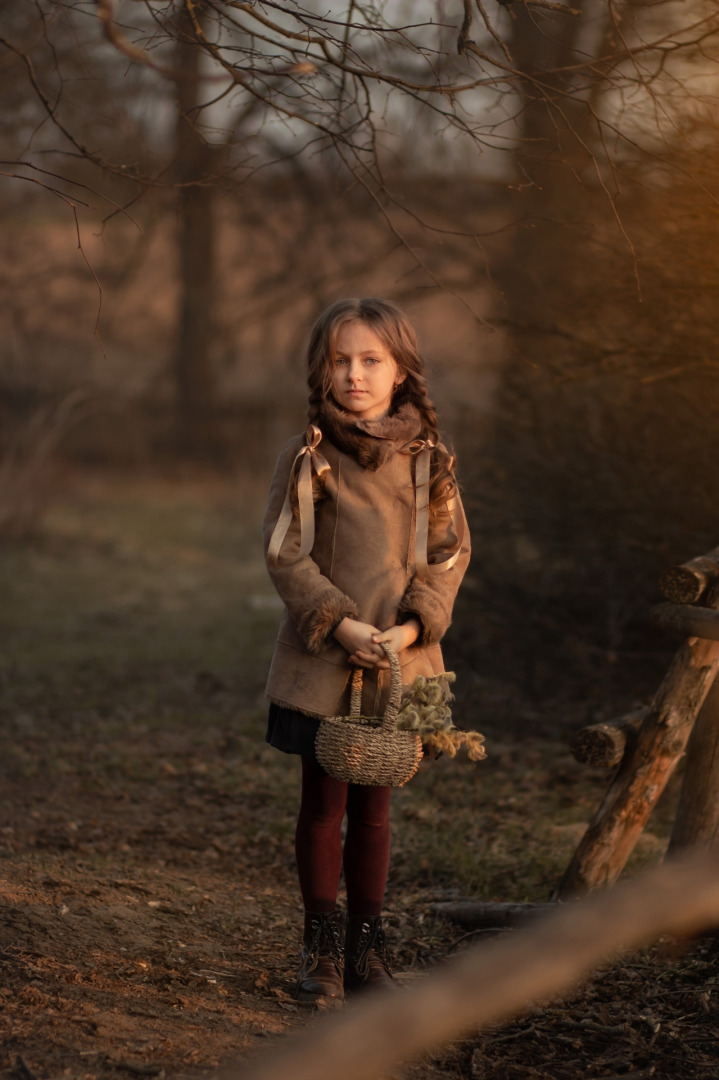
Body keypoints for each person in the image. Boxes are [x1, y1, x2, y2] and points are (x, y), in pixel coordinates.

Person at [263, 297, 470, 1005]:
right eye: (340, 360)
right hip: (325, 659)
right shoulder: (311, 457)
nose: (354, 374)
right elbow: (285, 552)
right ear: (322, 370)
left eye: (370, 360)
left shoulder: (428, 460)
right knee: (323, 806)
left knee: (376, 810)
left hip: (403, 665)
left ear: (400, 370)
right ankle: (319, 952)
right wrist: (339, 623)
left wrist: (415, 628)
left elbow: (448, 553)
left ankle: (366, 954)